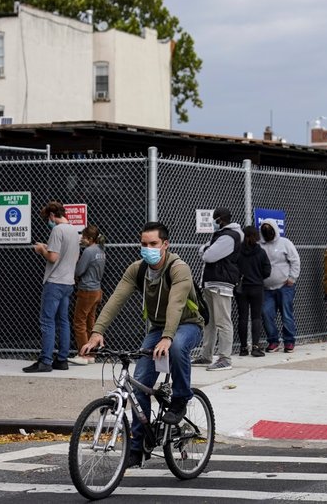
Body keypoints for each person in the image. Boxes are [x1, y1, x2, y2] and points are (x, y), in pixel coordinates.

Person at [81, 221, 205, 469]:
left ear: (165, 245)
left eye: (153, 244)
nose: (147, 248)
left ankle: (180, 399)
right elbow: (116, 299)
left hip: (188, 324)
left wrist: (168, 337)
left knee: (179, 345)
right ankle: (138, 448)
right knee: (139, 384)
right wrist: (96, 333)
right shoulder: (137, 270)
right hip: (158, 328)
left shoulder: (178, 268)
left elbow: (177, 304)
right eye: (144, 244)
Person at [23, 201, 79, 373]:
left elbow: (53, 257)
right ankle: (62, 359)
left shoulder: (57, 230)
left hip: (55, 281)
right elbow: (69, 255)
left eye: (49, 218)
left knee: (47, 321)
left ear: (52, 216)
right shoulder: (73, 230)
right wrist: (48, 249)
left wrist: (41, 249)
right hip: (68, 281)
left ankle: (45, 360)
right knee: (63, 321)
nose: (49, 221)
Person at [194, 207, 243, 372]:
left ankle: (225, 358)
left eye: (214, 218)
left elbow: (208, 255)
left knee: (223, 322)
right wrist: (206, 250)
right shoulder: (222, 235)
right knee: (210, 322)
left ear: (220, 219)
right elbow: (204, 249)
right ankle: (206, 355)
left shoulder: (230, 236)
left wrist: (206, 250)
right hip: (211, 282)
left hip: (221, 284)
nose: (213, 222)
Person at [260, 218, 301, 353]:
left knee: (286, 314)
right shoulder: (260, 245)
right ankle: (273, 341)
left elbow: (295, 260)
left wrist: (292, 278)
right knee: (266, 313)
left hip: (285, 286)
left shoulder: (285, 243)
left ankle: (289, 341)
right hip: (266, 288)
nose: (268, 235)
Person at [69, 224, 106, 366]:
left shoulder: (89, 251)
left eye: (84, 237)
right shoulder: (101, 250)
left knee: (79, 322)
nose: (82, 239)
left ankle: (83, 354)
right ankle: (91, 353)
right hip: (97, 290)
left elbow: (79, 271)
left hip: (86, 290)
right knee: (91, 323)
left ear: (90, 238)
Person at [235, 225, 271, 357]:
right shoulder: (260, 252)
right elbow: (267, 270)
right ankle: (255, 346)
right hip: (257, 286)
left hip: (242, 287)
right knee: (256, 317)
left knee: (242, 317)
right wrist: (258, 276)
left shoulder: (238, 252)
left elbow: (233, 267)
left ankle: (243, 347)